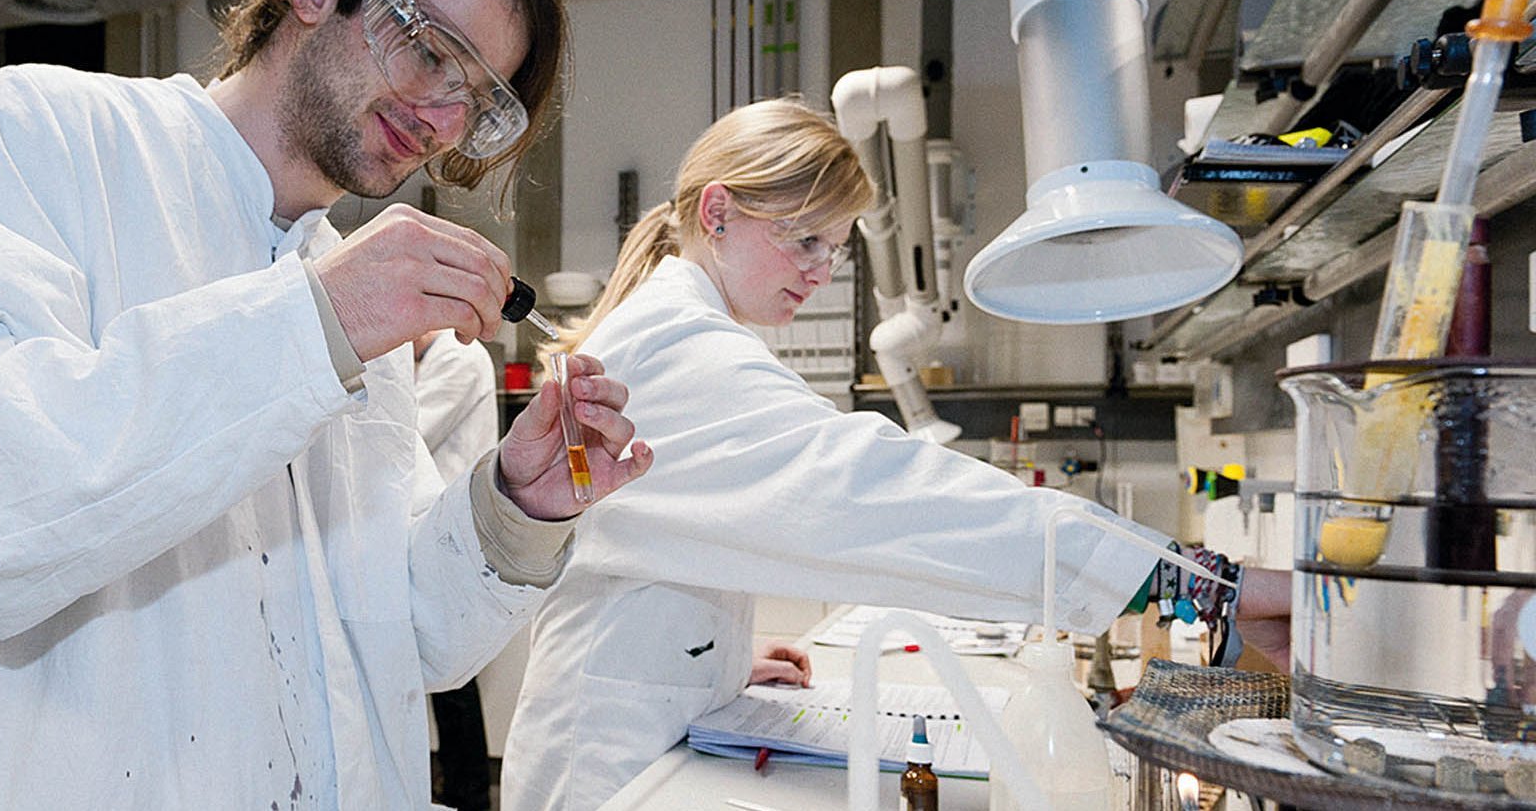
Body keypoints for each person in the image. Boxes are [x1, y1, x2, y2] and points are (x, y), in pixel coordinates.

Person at [0, 0, 653, 810]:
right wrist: (309, 326)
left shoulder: (344, 295)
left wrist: (512, 510)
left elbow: (399, 636)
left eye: (478, 101)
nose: (441, 117)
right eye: (429, 49)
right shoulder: (33, 135)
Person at [499, 99, 1291, 811]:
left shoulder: (681, 327)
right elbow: (882, 489)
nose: (819, 270)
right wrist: (1197, 582)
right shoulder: (680, 343)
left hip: (655, 717)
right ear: (718, 213)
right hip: (605, 765)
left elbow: (649, 544)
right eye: (804, 239)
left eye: (834, 249)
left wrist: (720, 659)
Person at [413, 329, 499, 811]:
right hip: (442, 535)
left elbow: (412, 433)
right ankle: (461, 792)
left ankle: (469, 797)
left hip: (452, 538)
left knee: (454, 684)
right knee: (450, 682)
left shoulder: (459, 356)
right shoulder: (439, 359)